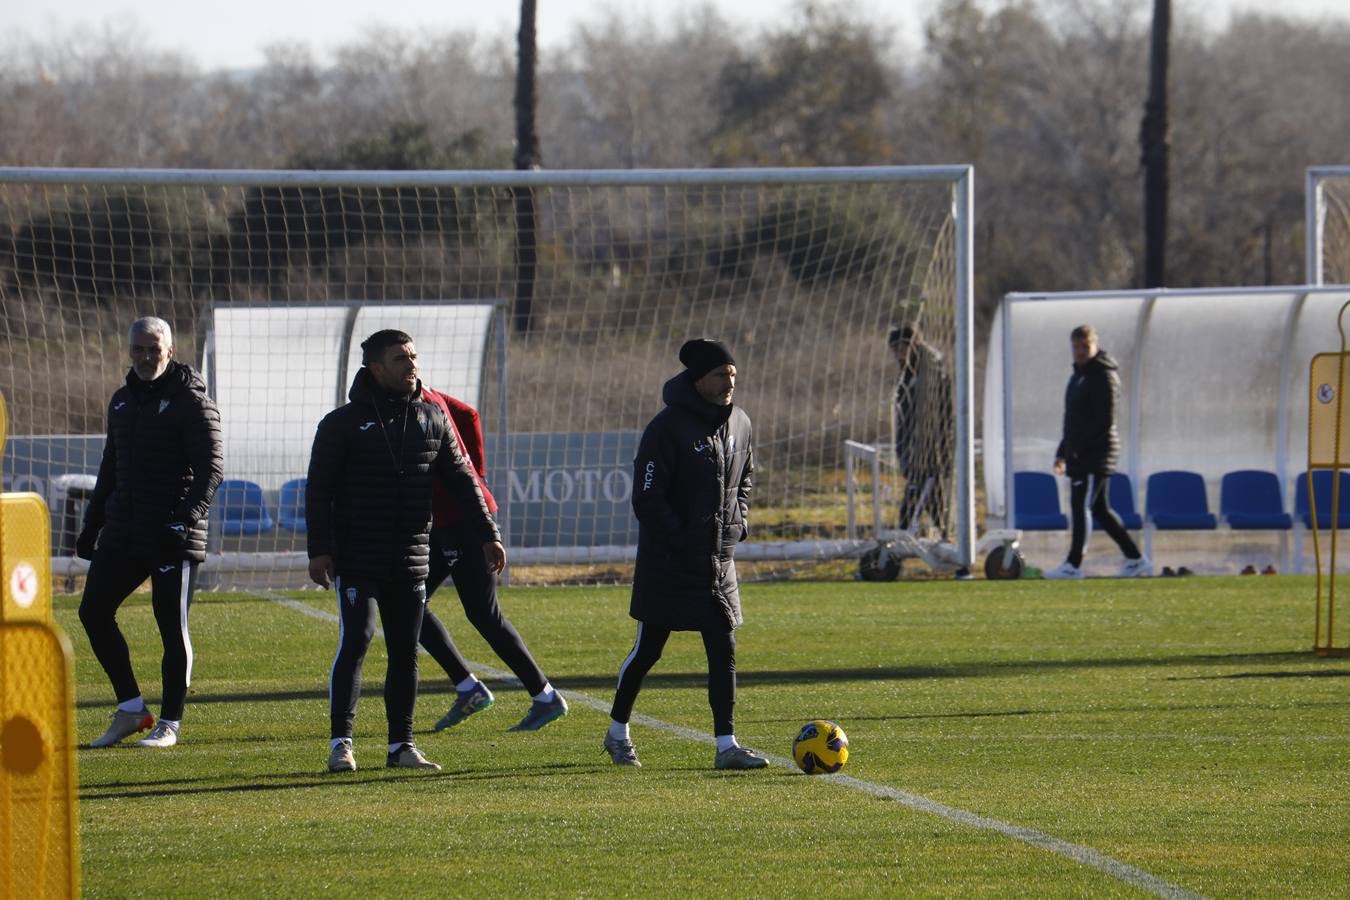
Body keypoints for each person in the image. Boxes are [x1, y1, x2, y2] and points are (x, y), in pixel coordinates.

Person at [306, 330, 505, 773]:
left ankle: (402, 746)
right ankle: (341, 744)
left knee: (404, 650)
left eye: (413, 355)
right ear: (376, 368)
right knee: (357, 640)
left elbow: (464, 480)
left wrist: (487, 533)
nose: (411, 364)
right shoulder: (340, 424)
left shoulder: (432, 417)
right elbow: (318, 491)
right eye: (401, 358)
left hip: (413, 554)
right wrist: (319, 550)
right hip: (358, 554)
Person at [603, 338, 767, 770]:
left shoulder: (741, 423)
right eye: (720, 374)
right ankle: (617, 731)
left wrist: (737, 524)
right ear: (697, 379)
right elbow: (647, 499)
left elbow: (745, 479)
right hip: (670, 564)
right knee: (648, 651)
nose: (729, 382)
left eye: (732, 374)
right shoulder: (666, 428)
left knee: (723, 648)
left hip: (719, 564)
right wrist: (682, 539)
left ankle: (727, 746)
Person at [76, 316, 223, 749]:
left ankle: (170, 723)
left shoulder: (193, 402)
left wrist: (185, 519)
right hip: (124, 530)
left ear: (170, 352)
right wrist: (92, 524)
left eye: (153, 350)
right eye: (138, 349)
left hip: (172, 535)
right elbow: (111, 466)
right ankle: (131, 709)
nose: (145, 357)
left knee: (170, 626)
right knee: (93, 612)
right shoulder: (122, 401)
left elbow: (212, 469)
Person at [417, 385, 567, 732]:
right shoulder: (424, 393)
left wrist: (473, 479)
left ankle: (544, 696)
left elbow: (468, 417)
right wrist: (477, 473)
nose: (409, 366)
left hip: (463, 519)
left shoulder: (417, 401)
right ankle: (469, 688)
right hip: (448, 520)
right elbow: (468, 414)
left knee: (482, 614)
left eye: (410, 360)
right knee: (409, 602)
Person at [1045, 324, 1151, 579]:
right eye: (1076, 347)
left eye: (1085, 346)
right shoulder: (1077, 377)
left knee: (1081, 505)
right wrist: (1062, 452)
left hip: (1096, 454)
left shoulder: (1103, 376)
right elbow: (1072, 420)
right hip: (1080, 453)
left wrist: (1079, 450)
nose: (1080, 352)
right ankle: (1135, 559)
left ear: (1095, 346)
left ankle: (1073, 564)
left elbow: (1103, 420)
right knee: (1100, 509)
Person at [889, 323, 970, 579]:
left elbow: (932, 418)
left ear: (915, 345)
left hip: (928, 457)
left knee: (909, 513)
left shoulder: (929, 370)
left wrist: (926, 454)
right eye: (895, 349)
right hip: (917, 456)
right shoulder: (910, 372)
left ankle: (890, 565)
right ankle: (961, 565)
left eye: (903, 347)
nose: (899, 353)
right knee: (936, 512)